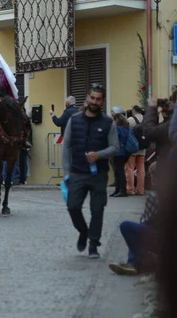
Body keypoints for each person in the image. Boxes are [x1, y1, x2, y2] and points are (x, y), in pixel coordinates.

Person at [62, 85, 119, 258]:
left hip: (98, 174)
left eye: (98, 99)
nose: (94, 102)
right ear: (87, 98)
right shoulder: (75, 119)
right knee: (72, 206)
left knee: (97, 210)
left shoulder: (108, 122)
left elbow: (115, 148)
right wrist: (66, 173)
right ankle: (83, 232)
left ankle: (93, 244)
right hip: (77, 172)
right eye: (92, 98)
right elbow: (66, 145)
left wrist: (99, 155)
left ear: (103, 101)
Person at [126, 105, 146, 195]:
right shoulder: (145, 120)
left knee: (130, 167)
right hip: (143, 147)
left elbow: (124, 129)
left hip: (133, 147)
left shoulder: (131, 119)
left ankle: (130, 190)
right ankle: (140, 190)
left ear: (134, 110)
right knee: (141, 169)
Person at [110, 113, 130, 197]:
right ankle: (118, 190)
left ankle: (122, 190)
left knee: (118, 172)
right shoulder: (126, 128)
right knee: (119, 171)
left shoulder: (117, 129)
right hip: (125, 153)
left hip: (118, 152)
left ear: (117, 120)